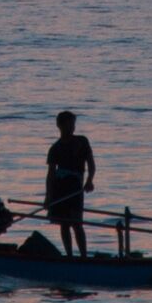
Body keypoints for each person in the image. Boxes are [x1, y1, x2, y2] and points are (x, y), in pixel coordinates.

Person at [42, 110, 97, 257]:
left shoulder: (82, 141)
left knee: (77, 223)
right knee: (64, 224)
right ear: (60, 126)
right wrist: (48, 197)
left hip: (75, 187)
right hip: (60, 188)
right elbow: (51, 175)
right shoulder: (55, 148)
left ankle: (84, 256)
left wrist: (89, 180)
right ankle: (69, 256)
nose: (72, 127)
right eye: (69, 124)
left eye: (73, 124)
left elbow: (91, 164)